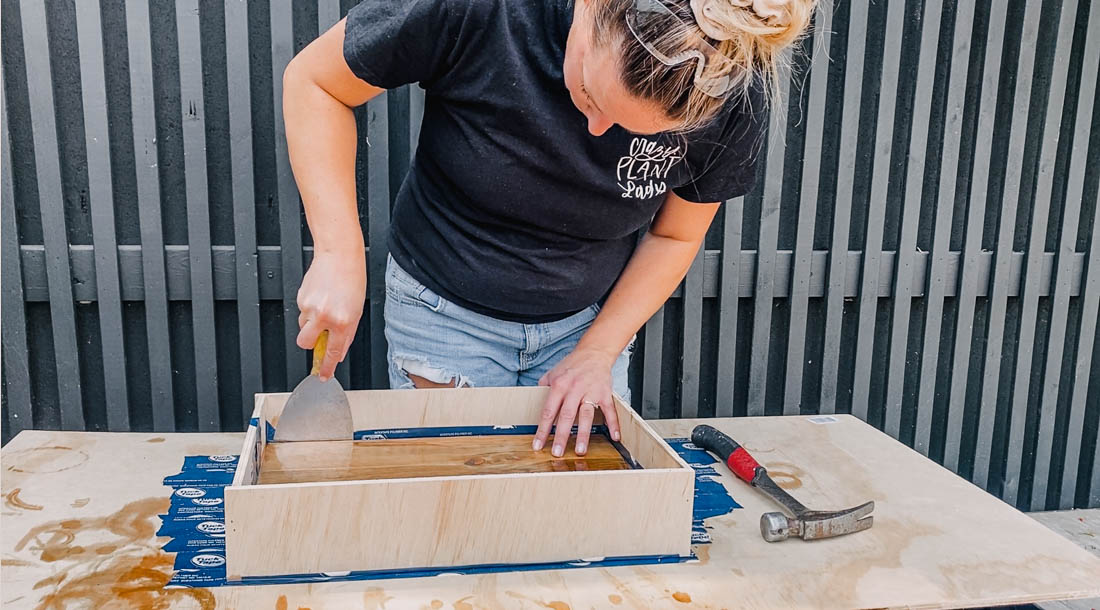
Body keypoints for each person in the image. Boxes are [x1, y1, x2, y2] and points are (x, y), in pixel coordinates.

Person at [283, 0, 814, 457]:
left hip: (589, 324)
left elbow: (675, 234)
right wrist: (337, 251)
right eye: (588, 93)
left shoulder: (731, 81)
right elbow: (316, 83)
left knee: (575, 516)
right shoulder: (490, 11)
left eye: (635, 132)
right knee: (459, 514)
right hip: (443, 312)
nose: (598, 132)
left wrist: (598, 352)